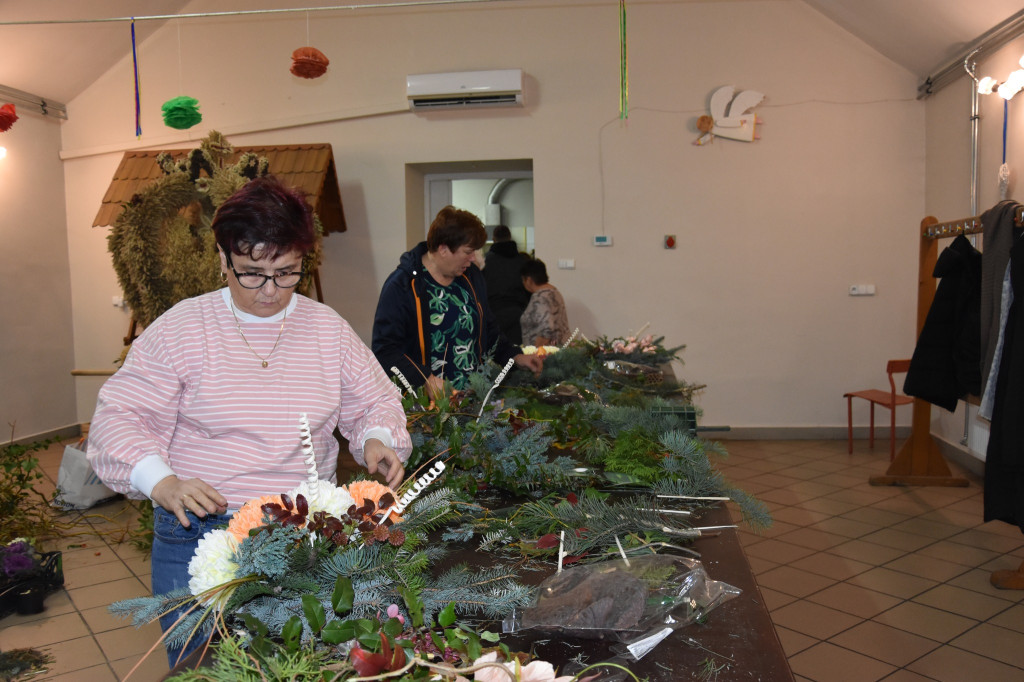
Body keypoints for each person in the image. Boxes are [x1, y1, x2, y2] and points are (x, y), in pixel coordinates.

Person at [87, 175, 412, 664]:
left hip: (305, 533)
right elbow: (120, 417)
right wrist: (162, 481)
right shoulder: (182, 328)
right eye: (252, 273)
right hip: (200, 531)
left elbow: (372, 400)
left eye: (286, 273)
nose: (270, 291)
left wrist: (376, 440)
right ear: (223, 260)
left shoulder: (325, 328)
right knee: (207, 668)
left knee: (306, 663)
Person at [372, 206, 543, 397]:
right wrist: (424, 379)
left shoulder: (472, 277)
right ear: (443, 249)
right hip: (428, 409)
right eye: (468, 252)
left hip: (474, 398)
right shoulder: (402, 286)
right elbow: (385, 350)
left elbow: (488, 328)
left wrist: (514, 356)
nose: (473, 259)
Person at [483, 225, 531, 344]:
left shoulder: (485, 262)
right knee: (515, 354)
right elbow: (529, 290)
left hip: (493, 315)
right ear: (510, 237)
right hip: (518, 314)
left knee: (495, 355)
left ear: (493, 239)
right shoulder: (522, 261)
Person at [520, 258, 571, 347]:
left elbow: (547, 330)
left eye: (523, 280)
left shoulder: (539, 298)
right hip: (561, 350)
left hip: (545, 356)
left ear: (528, 280)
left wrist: (537, 353)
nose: (523, 283)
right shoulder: (554, 292)